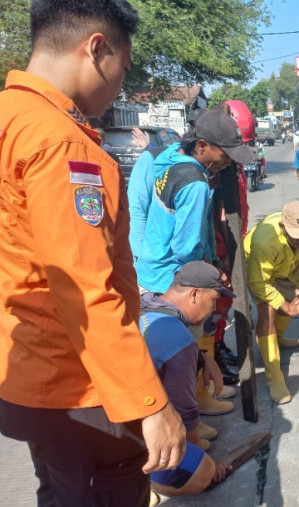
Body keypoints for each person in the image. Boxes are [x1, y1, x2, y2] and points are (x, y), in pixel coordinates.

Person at [0, 1, 185, 505]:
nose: (120, 88)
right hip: (78, 381)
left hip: (27, 365)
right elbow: (86, 288)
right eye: (123, 71)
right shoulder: (60, 142)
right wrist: (150, 404)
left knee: (59, 489)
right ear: (96, 48)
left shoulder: (10, 117)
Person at [140, 261, 235, 498]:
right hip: (130, 433)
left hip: (106, 413)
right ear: (194, 294)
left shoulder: (147, 303)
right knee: (202, 471)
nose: (213, 308)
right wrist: (203, 459)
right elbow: (186, 411)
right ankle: (145, 481)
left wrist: (202, 357)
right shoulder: (178, 340)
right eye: (212, 300)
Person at [135, 110, 254, 294]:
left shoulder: (171, 160)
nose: (229, 163)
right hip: (171, 283)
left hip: (149, 274)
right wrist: (212, 271)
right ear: (202, 146)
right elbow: (185, 249)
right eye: (225, 156)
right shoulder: (196, 184)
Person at [244, 201, 299, 403]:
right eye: (296, 235)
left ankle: (277, 339)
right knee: (269, 312)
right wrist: (283, 305)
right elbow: (258, 282)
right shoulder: (265, 241)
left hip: (288, 265)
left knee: (291, 303)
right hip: (258, 266)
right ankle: (274, 377)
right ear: (283, 227)